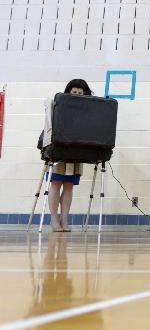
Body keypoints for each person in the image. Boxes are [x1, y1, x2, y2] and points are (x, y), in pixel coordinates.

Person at [46, 79, 93, 232]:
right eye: (74, 92)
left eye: (80, 93)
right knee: (56, 183)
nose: (77, 95)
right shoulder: (60, 106)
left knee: (69, 185)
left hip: (77, 151)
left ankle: (64, 219)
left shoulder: (89, 110)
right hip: (60, 150)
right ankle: (54, 219)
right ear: (68, 93)